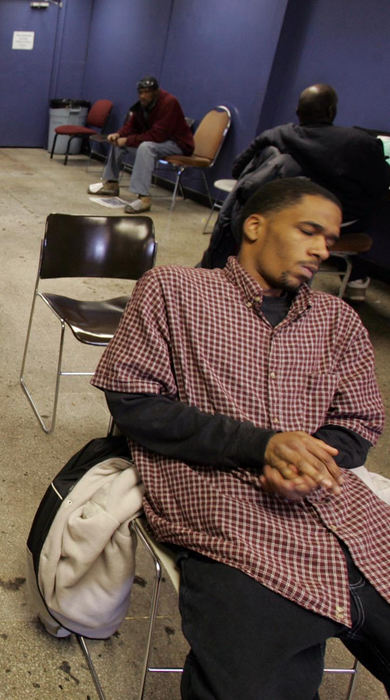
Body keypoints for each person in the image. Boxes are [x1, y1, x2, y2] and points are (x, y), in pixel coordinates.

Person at [93, 178, 390, 698]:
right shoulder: (174, 291)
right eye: (310, 231)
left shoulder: (338, 321)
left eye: (330, 239)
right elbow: (135, 405)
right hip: (238, 525)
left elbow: (357, 422)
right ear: (255, 226)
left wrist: (307, 462)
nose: (323, 249)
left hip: (347, 518)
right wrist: (262, 447)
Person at [199, 84, 390, 298]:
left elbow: (239, 170)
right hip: (346, 222)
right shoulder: (362, 144)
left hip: (261, 223)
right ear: (331, 112)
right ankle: (356, 278)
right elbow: (380, 189)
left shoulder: (277, 135)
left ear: (298, 113)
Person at [87, 75, 194, 214]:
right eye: (141, 92)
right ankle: (112, 183)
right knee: (117, 143)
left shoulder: (169, 103)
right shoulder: (142, 105)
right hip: (159, 141)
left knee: (146, 147)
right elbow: (132, 125)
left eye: (147, 92)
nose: (143, 96)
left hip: (177, 144)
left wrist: (128, 140)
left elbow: (157, 135)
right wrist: (119, 134)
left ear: (155, 92)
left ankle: (143, 198)